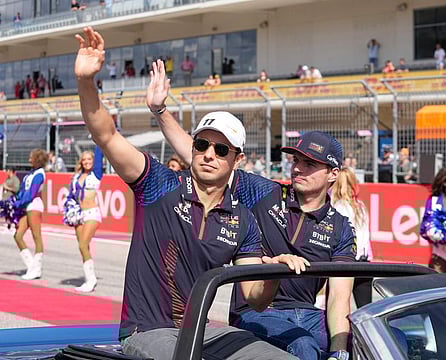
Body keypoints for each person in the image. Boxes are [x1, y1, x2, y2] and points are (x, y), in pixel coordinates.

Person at [74, 26, 307, 360]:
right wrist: (86, 81)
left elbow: (255, 297)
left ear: (237, 160)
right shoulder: (158, 184)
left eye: (221, 149)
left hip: (202, 333)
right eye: (202, 144)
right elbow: (106, 134)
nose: (209, 154)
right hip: (147, 331)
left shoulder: (243, 219)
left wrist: (278, 270)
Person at [149, 59, 356, 360]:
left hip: (310, 315)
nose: (297, 168)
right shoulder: (265, 193)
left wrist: (340, 352)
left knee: (371, 338)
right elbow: (205, 158)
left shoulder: (341, 226)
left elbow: (339, 298)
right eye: (295, 160)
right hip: (257, 312)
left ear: (333, 174)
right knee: (303, 346)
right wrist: (160, 111)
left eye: (309, 164)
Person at [331, 168, 372, 308]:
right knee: (365, 308)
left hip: (344, 263)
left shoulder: (336, 207)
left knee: (339, 306)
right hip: (363, 261)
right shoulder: (361, 206)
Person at [63, 147, 104, 292]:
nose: (87, 162)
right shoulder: (75, 177)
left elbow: (99, 155)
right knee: (83, 247)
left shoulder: (96, 174)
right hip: (79, 214)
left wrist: (97, 137)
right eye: (84, 159)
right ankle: (88, 279)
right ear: (81, 162)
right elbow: (71, 196)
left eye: (89, 159)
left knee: (83, 244)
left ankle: (91, 280)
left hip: (92, 213)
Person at [13, 149, 49, 280]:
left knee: (36, 236)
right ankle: (31, 266)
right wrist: (15, 201)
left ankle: (37, 269)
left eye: (31, 157)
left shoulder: (39, 174)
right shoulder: (30, 173)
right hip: (26, 205)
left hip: (34, 205)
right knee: (18, 235)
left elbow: (32, 193)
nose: (29, 160)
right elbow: (23, 191)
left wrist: (18, 204)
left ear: (38, 159)